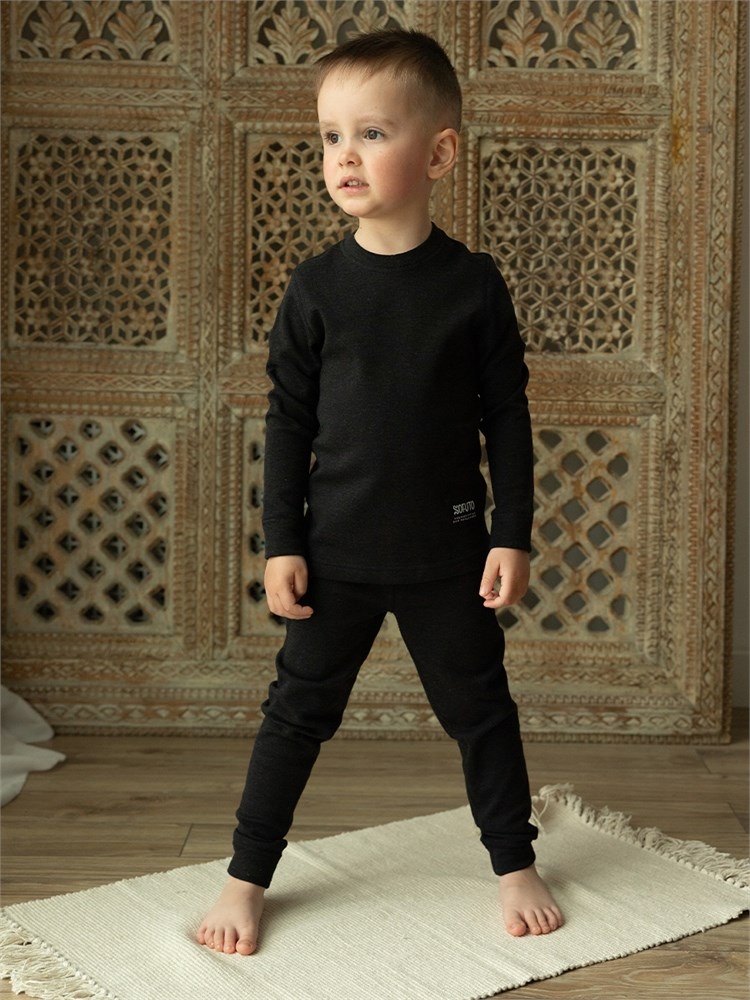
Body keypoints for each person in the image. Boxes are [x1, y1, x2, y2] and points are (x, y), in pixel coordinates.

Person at [197, 28, 562, 957]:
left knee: (482, 711)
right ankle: (245, 877)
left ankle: (515, 863)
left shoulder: (473, 288)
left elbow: (507, 418)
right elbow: (287, 423)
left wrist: (511, 533)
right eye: (331, 136)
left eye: (371, 133)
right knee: (295, 714)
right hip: (337, 556)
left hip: (449, 554)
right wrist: (282, 543)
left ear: (438, 153)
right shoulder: (316, 289)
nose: (344, 156)